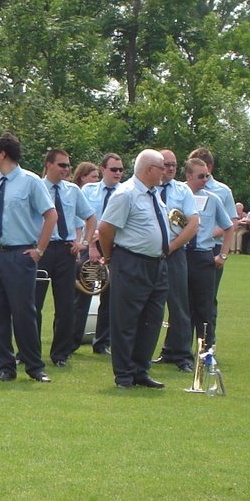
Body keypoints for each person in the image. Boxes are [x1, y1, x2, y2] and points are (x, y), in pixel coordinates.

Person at [0, 133, 57, 382]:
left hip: (19, 255)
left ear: (3, 154)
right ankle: (5, 368)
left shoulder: (30, 182)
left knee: (23, 313)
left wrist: (39, 250)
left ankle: (34, 366)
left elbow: (51, 216)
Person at [98, 149, 170, 390]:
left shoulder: (153, 194)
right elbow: (106, 228)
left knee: (151, 320)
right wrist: (110, 257)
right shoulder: (126, 194)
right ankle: (124, 375)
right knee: (126, 321)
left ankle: (141, 370)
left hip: (156, 264)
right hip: (131, 262)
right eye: (162, 167)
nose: (167, 171)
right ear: (149, 169)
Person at [35, 149, 97, 368]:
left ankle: (60, 354)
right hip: (41, 251)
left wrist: (85, 243)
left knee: (65, 306)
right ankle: (29, 352)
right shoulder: (36, 187)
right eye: (62, 165)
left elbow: (90, 217)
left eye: (68, 165)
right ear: (49, 165)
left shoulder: (72, 191)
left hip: (66, 251)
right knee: (33, 304)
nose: (67, 169)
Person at [153, 149, 200, 371]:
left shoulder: (183, 191)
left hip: (174, 253)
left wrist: (171, 247)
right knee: (148, 305)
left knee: (179, 305)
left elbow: (192, 223)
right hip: (148, 254)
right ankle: (151, 352)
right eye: (166, 164)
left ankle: (182, 356)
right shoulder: (146, 189)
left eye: (174, 164)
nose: (171, 168)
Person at [74, 153, 124, 355]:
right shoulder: (88, 190)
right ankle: (72, 340)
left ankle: (102, 342)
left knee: (110, 297)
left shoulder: (124, 193)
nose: (118, 173)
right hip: (89, 245)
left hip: (115, 246)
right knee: (82, 293)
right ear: (103, 169)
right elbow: (82, 218)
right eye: (114, 169)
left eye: (121, 170)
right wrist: (91, 245)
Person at [183, 158, 234, 352]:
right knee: (182, 307)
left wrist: (223, 255)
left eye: (207, 175)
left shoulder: (213, 198)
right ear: (188, 176)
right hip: (182, 254)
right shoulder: (177, 195)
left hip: (203, 256)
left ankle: (206, 349)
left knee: (205, 307)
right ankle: (181, 351)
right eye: (201, 176)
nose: (205, 179)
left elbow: (229, 227)